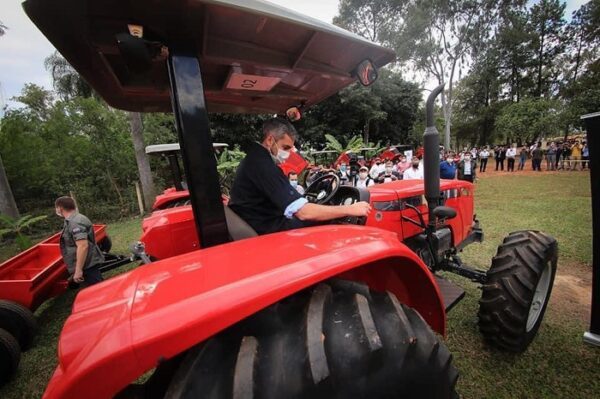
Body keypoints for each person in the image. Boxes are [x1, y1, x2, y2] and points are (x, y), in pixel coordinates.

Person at [229, 118, 371, 235]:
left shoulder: (254, 159)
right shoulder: (263, 165)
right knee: (326, 224)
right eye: (285, 148)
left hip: (257, 221)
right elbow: (304, 212)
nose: (288, 153)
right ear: (270, 140)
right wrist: (349, 209)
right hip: (265, 228)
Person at [55, 196, 104, 287]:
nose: (56, 210)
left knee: (97, 289)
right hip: (87, 262)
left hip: (87, 263)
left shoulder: (75, 222)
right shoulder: (74, 219)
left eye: (56, 208)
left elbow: (83, 246)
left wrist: (78, 270)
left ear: (60, 208)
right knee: (97, 287)